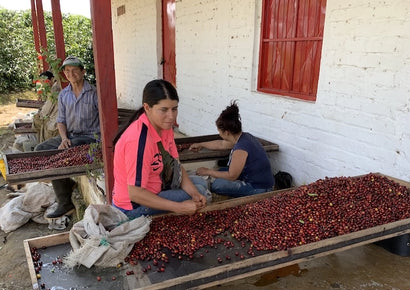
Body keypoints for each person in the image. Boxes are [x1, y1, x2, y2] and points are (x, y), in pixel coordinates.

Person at [112, 79, 208, 217]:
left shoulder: (164, 126)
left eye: (174, 109)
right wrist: (179, 207)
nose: (171, 116)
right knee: (201, 189)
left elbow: (176, 166)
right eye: (164, 110)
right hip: (133, 207)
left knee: (199, 187)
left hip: (156, 188)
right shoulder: (139, 141)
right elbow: (135, 193)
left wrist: (194, 194)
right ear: (147, 108)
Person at [35, 56, 100, 218]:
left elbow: (105, 119)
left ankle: (65, 203)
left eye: (75, 70)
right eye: (67, 71)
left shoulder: (94, 93)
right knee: (40, 149)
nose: (71, 74)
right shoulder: (64, 95)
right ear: (64, 74)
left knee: (60, 154)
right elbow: (61, 121)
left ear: (83, 72)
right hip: (70, 136)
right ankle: (66, 183)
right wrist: (63, 138)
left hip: (90, 138)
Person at [189, 101, 275, 197]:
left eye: (219, 131)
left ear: (226, 132)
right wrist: (201, 144)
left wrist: (208, 171)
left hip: (260, 188)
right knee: (221, 170)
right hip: (252, 177)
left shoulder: (240, 149)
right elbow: (221, 144)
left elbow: (232, 176)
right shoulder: (244, 137)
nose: (219, 134)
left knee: (217, 185)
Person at [24, 71, 61, 151]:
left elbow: (47, 110)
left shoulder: (56, 89)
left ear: (52, 79)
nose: (44, 84)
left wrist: (41, 114)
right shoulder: (51, 90)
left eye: (45, 81)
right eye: (42, 82)